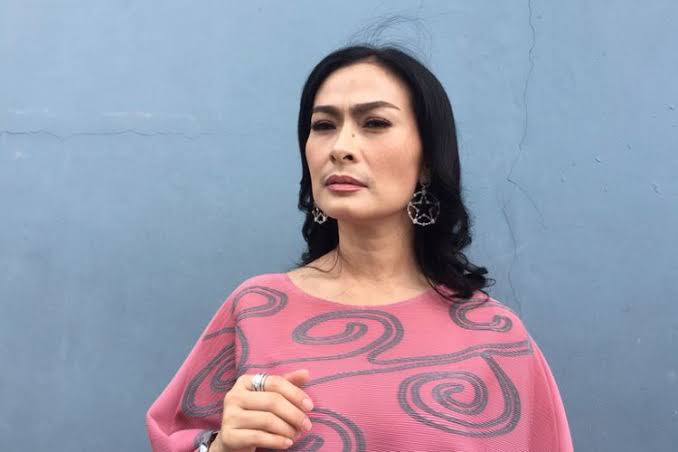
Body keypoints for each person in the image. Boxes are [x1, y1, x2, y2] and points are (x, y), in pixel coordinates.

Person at [145, 44, 574, 452]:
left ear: (427, 159)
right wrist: (221, 445)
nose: (341, 148)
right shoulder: (256, 309)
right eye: (323, 126)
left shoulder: (493, 337)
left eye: (374, 123)